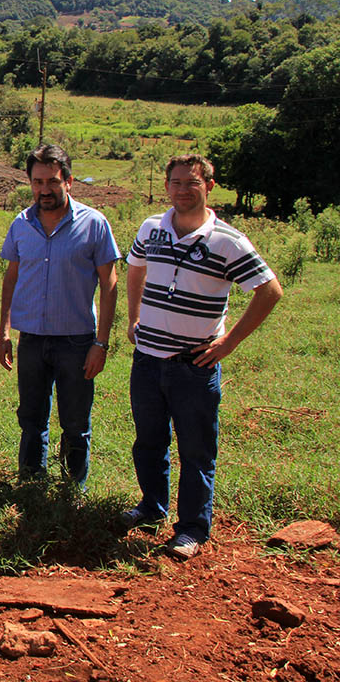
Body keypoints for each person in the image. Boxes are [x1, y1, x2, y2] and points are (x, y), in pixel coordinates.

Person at [123, 154, 281, 560]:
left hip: (193, 366)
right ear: (166, 186)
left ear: (209, 186)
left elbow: (269, 291)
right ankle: (151, 508)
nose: (182, 190)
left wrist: (229, 343)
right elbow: (135, 268)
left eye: (191, 183)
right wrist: (133, 317)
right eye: (175, 182)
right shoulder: (151, 228)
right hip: (147, 359)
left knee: (196, 450)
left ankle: (192, 528)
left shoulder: (228, 241)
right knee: (148, 442)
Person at [0, 144, 120, 487]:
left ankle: (72, 489)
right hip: (32, 340)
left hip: (76, 342)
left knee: (75, 422)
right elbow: (11, 278)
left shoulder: (94, 224)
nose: (44, 189)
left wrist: (101, 343)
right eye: (38, 182)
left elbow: (110, 285)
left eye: (52, 181)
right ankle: (31, 485)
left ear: (68, 181)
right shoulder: (21, 224)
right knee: (31, 419)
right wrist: (4, 332)